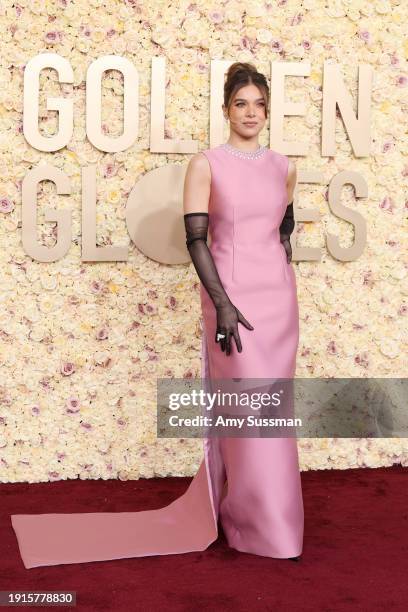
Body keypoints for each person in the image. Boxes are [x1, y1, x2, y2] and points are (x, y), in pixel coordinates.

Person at [10, 62, 303, 569]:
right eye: (241, 104)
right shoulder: (206, 164)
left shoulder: (284, 166)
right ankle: (253, 523)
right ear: (226, 110)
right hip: (231, 301)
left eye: (258, 104)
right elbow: (196, 239)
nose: (250, 113)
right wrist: (223, 304)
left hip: (278, 304)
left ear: (268, 109)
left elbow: (284, 230)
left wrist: (284, 281)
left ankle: (272, 523)